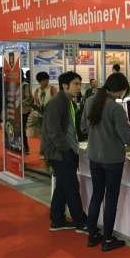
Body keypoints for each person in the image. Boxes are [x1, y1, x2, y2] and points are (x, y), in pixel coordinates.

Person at [81, 73, 130, 251]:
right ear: (121, 89)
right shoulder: (115, 108)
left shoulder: (90, 101)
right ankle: (107, 239)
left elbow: (84, 127)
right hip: (112, 160)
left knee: (97, 195)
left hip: (94, 156)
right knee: (111, 198)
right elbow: (128, 138)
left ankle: (92, 235)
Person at [41, 71, 87, 232]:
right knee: (71, 187)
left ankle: (57, 219)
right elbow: (54, 131)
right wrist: (66, 150)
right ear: (65, 85)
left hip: (65, 150)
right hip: (59, 152)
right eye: (76, 84)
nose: (79, 87)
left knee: (62, 186)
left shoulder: (68, 102)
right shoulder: (57, 103)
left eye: (80, 84)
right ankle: (81, 222)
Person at [21, 71, 32, 154]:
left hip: (24, 110)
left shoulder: (25, 85)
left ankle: (26, 147)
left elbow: (28, 97)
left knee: (22, 129)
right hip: (15, 110)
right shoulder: (13, 84)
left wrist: (19, 102)